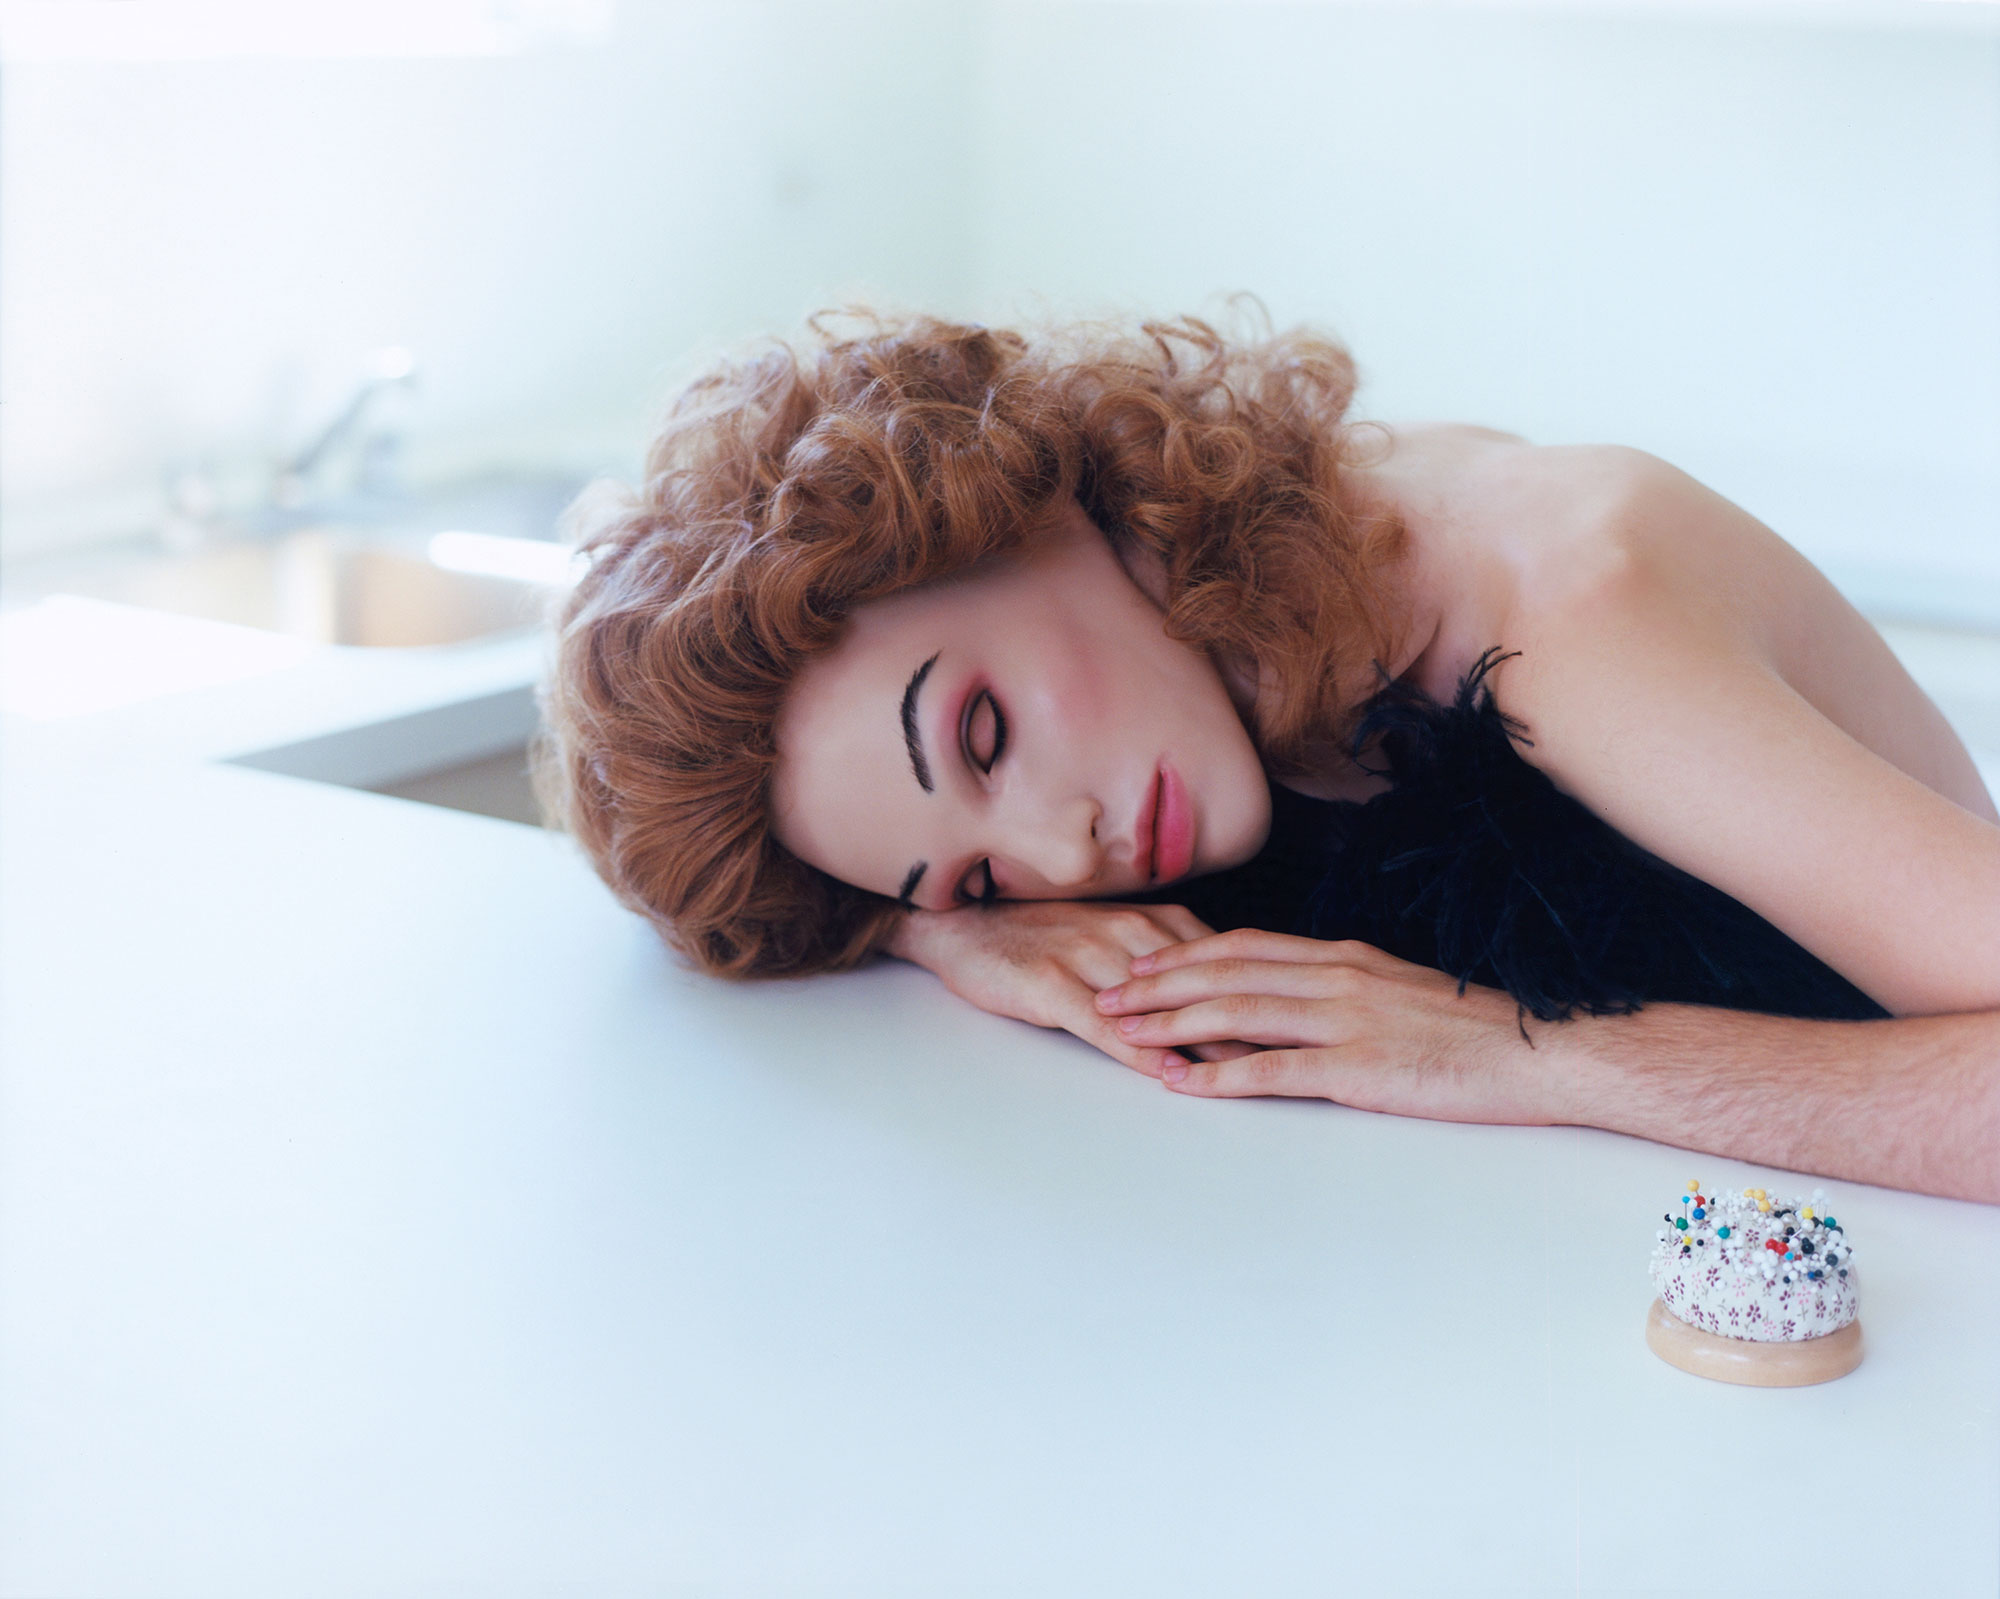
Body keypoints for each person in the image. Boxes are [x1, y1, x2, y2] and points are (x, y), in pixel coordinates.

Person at [539, 308, 2000, 1203]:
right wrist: (944, 932)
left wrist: (1530, 1055)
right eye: (978, 871)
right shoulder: (1259, 597)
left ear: (1030, 509)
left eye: (984, 732)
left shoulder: (1568, 613)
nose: (1062, 853)